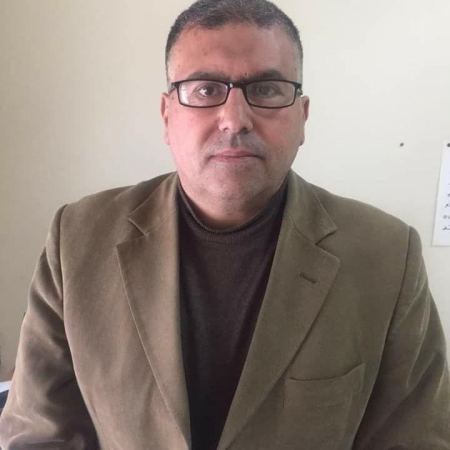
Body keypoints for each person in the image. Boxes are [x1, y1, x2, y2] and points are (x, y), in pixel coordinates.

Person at [1, 0, 449, 448]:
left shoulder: (387, 257)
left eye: (268, 89)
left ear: (303, 117)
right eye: (204, 89)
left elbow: (415, 439)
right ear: (167, 115)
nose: (234, 120)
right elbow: (38, 435)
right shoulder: (77, 239)